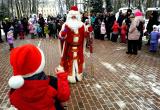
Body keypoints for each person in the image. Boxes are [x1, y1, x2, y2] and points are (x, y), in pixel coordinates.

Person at [8, 44, 70, 110]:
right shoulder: (51, 82)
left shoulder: (14, 90)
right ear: (41, 63)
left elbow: (14, 102)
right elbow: (64, 97)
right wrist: (62, 77)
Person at [58, 6, 92, 83]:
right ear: (69, 16)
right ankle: (70, 76)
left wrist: (89, 31)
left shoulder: (82, 25)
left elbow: (85, 35)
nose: (73, 17)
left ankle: (78, 75)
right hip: (69, 48)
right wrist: (63, 34)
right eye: (72, 16)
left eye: (75, 16)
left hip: (79, 48)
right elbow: (61, 36)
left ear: (77, 16)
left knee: (79, 61)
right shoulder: (66, 25)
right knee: (69, 62)